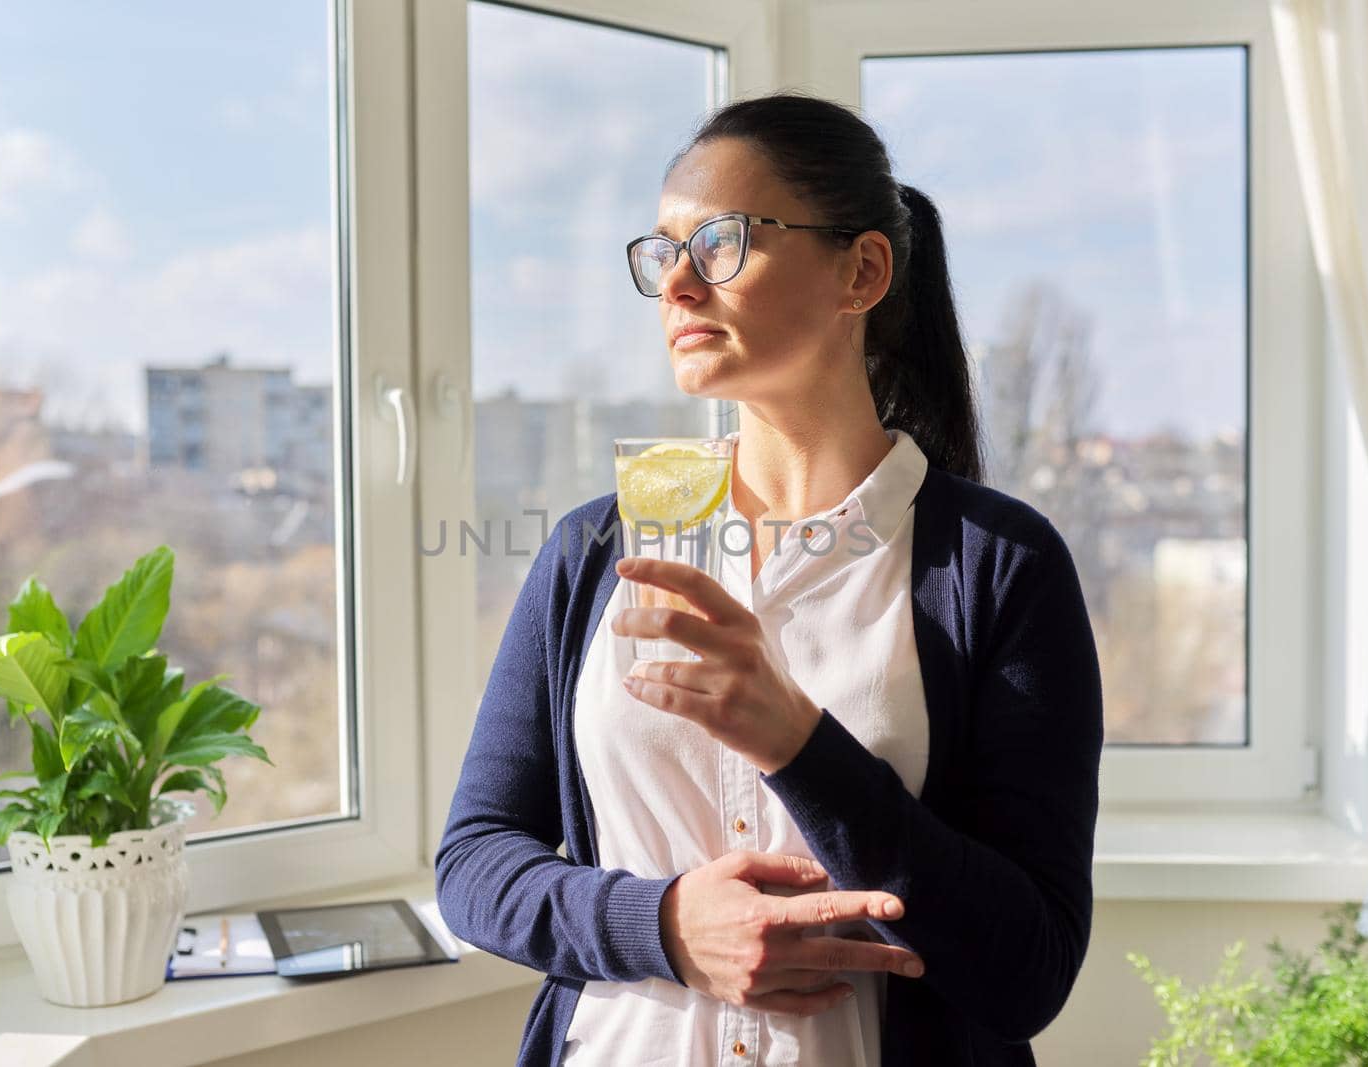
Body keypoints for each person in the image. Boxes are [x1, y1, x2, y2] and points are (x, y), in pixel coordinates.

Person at [436, 90, 1104, 1066]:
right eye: (662, 252)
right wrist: (663, 924)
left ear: (861, 270)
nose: (676, 286)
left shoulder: (998, 567)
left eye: (718, 243)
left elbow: (1027, 970)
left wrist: (797, 742)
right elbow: (474, 865)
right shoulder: (592, 552)